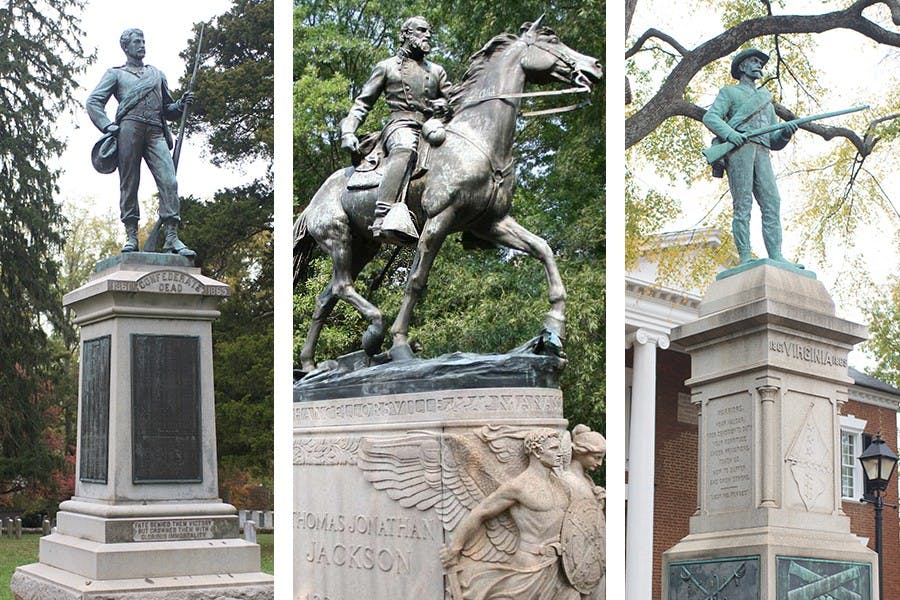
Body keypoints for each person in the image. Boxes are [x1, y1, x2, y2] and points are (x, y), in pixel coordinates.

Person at [339, 16, 452, 244]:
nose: (427, 35)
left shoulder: (437, 71)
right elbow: (362, 104)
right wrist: (348, 131)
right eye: (421, 31)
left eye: (429, 31)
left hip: (431, 128)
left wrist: (446, 105)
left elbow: (455, 100)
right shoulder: (387, 67)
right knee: (405, 148)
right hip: (400, 125)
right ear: (405, 35)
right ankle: (383, 215)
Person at [87, 28, 195, 257]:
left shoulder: (156, 74)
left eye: (143, 41)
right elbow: (93, 102)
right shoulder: (115, 74)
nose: (142, 45)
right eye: (137, 42)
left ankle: (172, 237)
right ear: (126, 47)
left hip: (156, 130)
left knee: (169, 181)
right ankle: (131, 235)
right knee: (129, 182)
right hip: (129, 129)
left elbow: (168, 109)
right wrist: (108, 126)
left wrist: (181, 104)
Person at [440, 429, 580, 600]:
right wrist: (455, 548)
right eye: (553, 449)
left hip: (562, 567)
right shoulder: (519, 486)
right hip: (530, 567)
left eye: (559, 448)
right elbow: (480, 513)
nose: (560, 454)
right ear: (537, 452)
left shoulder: (561, 486)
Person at [702, 48, 800, 267]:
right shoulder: (729, 93)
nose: (759, 66)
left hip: (763, 152)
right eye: (754, 61)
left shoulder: (765, 99)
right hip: (740, 151)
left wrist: (784, 133)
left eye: (760, 63)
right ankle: (745, 256)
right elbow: (711, 117)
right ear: (742, 67)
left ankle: (776, 255)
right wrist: (730, 134)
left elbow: (774, 139)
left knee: (772, 202)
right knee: (743, 204)